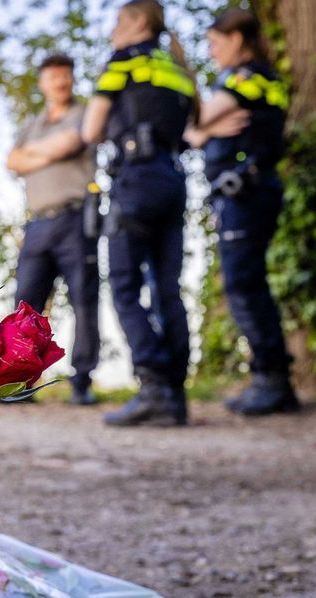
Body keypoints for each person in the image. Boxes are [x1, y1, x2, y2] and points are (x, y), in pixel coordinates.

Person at [80, 0, 195, 426]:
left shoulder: (123, 61)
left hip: (136, 181)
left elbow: (90, 130)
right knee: (168, 289)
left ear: (139, 22)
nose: (112, 33)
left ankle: (153, 388)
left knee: (126, 286)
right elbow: (192, 129)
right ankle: (176, 396)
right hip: (173, 177)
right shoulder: (180, 69)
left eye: (117, 23)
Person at [183, 8, 299, 415]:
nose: (212, 52)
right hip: (245, 194)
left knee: (244, 285)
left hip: (246, 194)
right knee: (248, 284)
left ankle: (273, 381)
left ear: (235, 38)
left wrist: (203, 129)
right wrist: (206, 130)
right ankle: (271, 379)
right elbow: (197, 132)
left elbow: (191, 126)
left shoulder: (246, 79)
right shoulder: (260, 79)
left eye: (215, 43)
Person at [6, 53, 101, 405]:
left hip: (76, 218)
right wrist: (47, 152)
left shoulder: (84, 113)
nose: (60, 81)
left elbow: (71, 144)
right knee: (25, 304)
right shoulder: (34, 123)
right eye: (53, 76)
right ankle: (20, 382)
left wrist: (34, 155)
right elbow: (12, 161)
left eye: (65, 75)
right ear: (43, 82)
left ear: (72, 78)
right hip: (37, 223)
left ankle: (82, 380)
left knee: (84, 299)